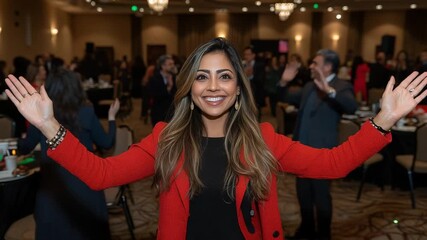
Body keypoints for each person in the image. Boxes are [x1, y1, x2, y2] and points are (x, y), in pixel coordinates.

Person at [4, 38, 427, 240]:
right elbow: (99, 174)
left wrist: (384, 118)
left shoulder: (262, 140)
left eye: (225, 76)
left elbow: (332, 164)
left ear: (238, 89)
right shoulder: (165, 140)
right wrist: (48, 127)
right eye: (202, 76)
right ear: (189, 86)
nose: (213, 86)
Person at [17, 69, 120, 240]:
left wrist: (17, 141)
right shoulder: (86, 112)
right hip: (86, 185)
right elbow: (107, 143)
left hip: (53, 189)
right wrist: (111, 117)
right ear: (76, 88)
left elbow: (25, 147)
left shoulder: (42, 116)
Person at [288, 49, 359, 240]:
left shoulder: (341, 86)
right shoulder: (310, 85)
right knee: (303, 195)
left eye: (315, 63)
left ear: (328, 67)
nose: (311, 66)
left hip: (322, 153)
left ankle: (323, 235)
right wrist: (284, 82)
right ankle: (306, 229)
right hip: (301, 150)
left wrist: (329, 91)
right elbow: (288, 98)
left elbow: (352, 107)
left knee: (321, 198)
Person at [148, 54, 177, 126]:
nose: (172, 66)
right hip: (159, 113)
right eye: (170, 64)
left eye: (173, 64)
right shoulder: (154, 78)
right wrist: (169, 87)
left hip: (172, 114)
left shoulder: (174, 77)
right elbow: (156, 96)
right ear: (162, 66)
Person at [242, 46, 265, 120]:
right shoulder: (241, 64)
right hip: (244, 95)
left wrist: (251, 76)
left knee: (256, 118)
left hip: (256, 94)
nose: (246, 56)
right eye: (245, 54)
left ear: (253, 55)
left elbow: (261, 81)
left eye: (248, 54)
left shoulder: (260, 65)